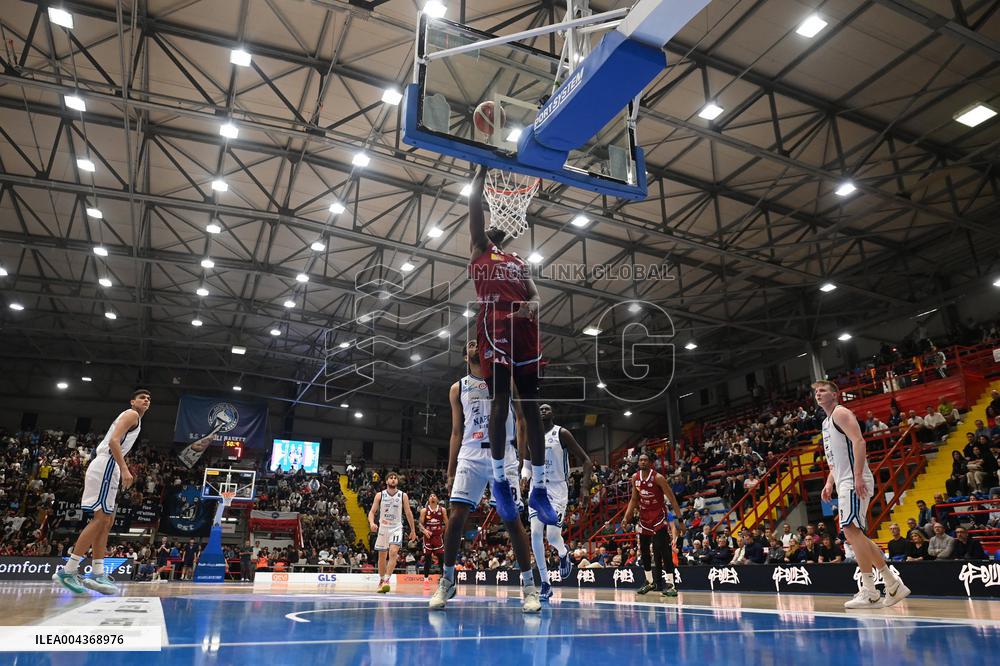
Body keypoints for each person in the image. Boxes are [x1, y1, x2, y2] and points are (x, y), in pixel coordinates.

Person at [466, 164, 558, 528]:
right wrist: (480, 173)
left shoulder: (519, 262)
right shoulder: (479, 249)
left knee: (530, 408)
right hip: (494, 324)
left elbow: (536, 296)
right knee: (501, 402)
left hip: (524, 329)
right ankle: (501, 481)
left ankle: (537, 486)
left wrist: (532, 307)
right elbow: (474, 205)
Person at [429, 341, 541, 613]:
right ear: (464, 356)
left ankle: (529, 588)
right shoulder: (457, 388)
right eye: (468, 344)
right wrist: (451, 469)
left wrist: (524, 461)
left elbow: (521, 421)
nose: (473, 345)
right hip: (470, 454)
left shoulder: (504, 379)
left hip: (503, 455)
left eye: (477, 342)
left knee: (512, 520)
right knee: (455, 517)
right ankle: (447, 580)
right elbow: (456, 431)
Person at [815, 380, 909, 609]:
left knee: (850, 530)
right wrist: (829, 482)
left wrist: (857, 476)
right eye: (816, 391)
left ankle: (870, 591)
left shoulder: (841, 413)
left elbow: (859, 442)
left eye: (823, 390)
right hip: (843, 481)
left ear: (835, 394)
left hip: (854, 480)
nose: (818, 393)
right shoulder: (826, 422)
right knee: (856, 535)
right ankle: (892, 584)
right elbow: (835, 460)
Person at [53, 389, 151, 595]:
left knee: (106, 521)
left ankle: (97, 572)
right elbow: (114, 441)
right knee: (100, 520)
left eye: (149, 399)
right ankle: (68, 570)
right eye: (142, 398)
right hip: (108, 464)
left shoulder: (134, 418)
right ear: (132, 401)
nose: (146, 400)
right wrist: (125, 468)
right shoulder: (131, 414)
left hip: (109, 465)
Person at [528, 403, 593, 601]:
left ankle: (563, 553)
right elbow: (526, 460)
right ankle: (545, 582)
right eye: (540, 408)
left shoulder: (561, 433)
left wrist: (585, 487)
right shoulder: (532, 434)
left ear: (553, 413)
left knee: (552, 536)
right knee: (535, 533)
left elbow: (586, 460)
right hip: (538, 487)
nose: (543, 410)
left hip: (557, 489)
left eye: (547, 408)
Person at [622, 453, 683, 597]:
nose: (642, 462)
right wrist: (626, 517)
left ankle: (671, 584)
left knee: (661, 550)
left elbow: (672, 499)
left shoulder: (658, 478)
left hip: (658, 515)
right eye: (640, 460)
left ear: (650, 463)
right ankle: (649, 581)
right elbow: (633, 499)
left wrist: (680, 520)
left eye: (645, 460)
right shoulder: (635, 478)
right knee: (643, 549)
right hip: (644, 516)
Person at [367, 472, 418, 594]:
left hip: (396, 527)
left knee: (394, 552)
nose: (393, 480)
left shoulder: (402, 495)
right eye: (391, 478)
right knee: (382, 556)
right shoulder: (380, 495)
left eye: (395, 478)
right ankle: (381, 580)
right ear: (386, 481)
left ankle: (387, 580)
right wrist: (372, 523)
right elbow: (372, 512)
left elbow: (408, 513)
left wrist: (413, 530)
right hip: (383, 528)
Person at [419, 493, 448, 581]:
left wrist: (444, 533)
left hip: (438, 537)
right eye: (430, 496)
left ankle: (444, 578)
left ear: (437, 500)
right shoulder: (424, 510)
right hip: (428, 537)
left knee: (441, 558)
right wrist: (424, 531)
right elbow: (420, 524)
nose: (432, 497)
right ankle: (426, 579)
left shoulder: (442, 510)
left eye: (434, 496)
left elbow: (447, 523)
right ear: (428, 500)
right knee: (427, 558)